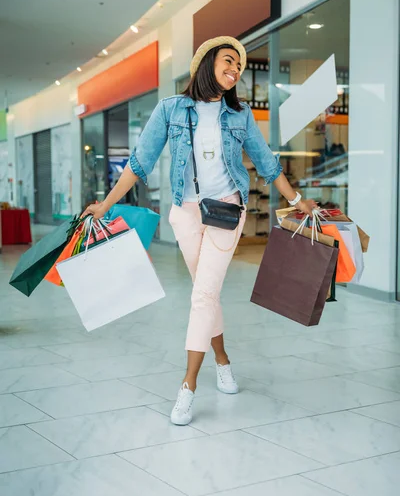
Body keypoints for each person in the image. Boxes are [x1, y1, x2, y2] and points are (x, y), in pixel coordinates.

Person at [83, 36, 317, 426]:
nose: (235, 70)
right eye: (229, 61)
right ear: (207, 63)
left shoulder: (240, 115)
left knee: (204, 294)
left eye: (239, 66)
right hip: (185, 214)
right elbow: (140, 162)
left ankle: (188, 386)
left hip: (227, 209)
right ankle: (222, 360)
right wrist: (105, 205)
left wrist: (296, 201)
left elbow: (266, 162)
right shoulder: (170, 109)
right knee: (204, 295)